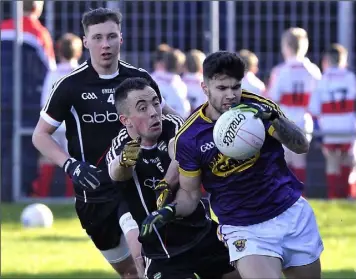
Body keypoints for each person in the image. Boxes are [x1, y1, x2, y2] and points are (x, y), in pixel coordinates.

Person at [141, 51, 324, 279]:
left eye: (235, 87)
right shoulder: (190, 137)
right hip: (244, 229)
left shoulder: (256, 107)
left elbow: (301, 145)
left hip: (290, 213)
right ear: (205, 87)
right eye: (222, 88)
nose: (231, 95)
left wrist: (274, 120)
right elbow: (189, 193)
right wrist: (169, 210)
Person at [32, 7, 175, 279]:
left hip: (134, 183)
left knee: (145, 262)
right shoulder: (69, 86)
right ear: (85, 42)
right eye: (97, 38)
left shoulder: (139, 79)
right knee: (129, 272)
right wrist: (71, 166)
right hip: (93, 193)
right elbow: (40, 135)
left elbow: (170, 119)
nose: (105, 44)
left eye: (111, 36)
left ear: (121, 38)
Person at [106, 77, 239, 279]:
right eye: (142, 108)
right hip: (162, 249)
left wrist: (166, 181)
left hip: (201, 233)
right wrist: (125, 161)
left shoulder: (174, 125)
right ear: (126, 120)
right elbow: (116, 172)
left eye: (156, 103)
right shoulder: (120, 145)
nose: (153, 112)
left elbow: (181, 151)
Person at [1, 0, 56, 200]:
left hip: (2, 99)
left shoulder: (2, 28)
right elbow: (50, 73)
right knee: (25, 149)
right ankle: (17, 193)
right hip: (27, 102)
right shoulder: (39, 33)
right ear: (37, 7)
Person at [266, 27, 321, 185]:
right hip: (304, 119)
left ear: (286, 47)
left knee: (282, 160)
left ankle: (285, 196)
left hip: (284, 119)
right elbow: (317, 101)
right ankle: (300, 196)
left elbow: (272, 98)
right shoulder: (313, 70)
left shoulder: (280, 71)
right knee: (299, 161)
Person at [32, 32, 83, 198]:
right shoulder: (82, 73)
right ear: (79, 52)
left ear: (59, 52)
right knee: (73, 161)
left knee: (47, 160)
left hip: (53, 126)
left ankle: (42, 196)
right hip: (74, 127)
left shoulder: (53, 74)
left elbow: (44, 103)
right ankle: (74, 197)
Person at [309, 43, 356, 199]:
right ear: (343, 60)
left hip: (329, 127)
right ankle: (347, 195)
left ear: (326, 60)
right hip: (347, 127)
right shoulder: (350, 77)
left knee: (332, 161)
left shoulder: (323, 80)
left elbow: (314, 109)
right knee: (347, 160)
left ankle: (334, 196)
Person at [151, 45, 191, 118]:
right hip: (177, 121)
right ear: (179, 66)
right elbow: (185, 110)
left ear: (164, 63)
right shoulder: (181, 85)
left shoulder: (151, 78)